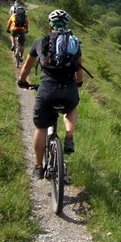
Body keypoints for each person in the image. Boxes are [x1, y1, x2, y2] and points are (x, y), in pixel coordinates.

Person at [17, 9, 83, 179]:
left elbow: (26, 67)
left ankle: (39, 167)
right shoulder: (74, 44)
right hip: (68, 90)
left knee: (40, 127)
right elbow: (79, 70)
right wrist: (78, 83)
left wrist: (22, 80)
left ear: (50, 25)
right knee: (71, 108)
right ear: (66, 25)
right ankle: (69, 137)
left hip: (47, 91)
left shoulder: (40, 42)